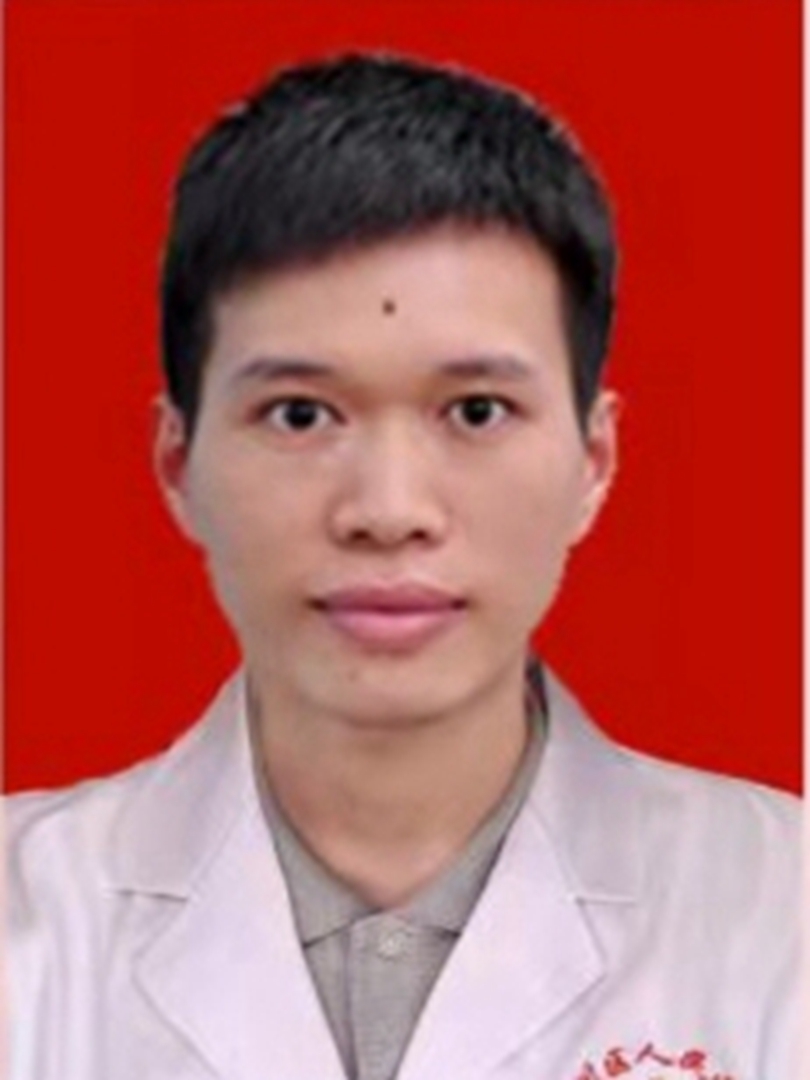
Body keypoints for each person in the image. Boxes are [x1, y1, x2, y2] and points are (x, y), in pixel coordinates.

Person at [6, 52, 799, 1080]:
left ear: (593, 462)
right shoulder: (24, 930)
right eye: (301, 415)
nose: (388, 512)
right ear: (177, 464)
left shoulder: (782, 916)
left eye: (476, 411)